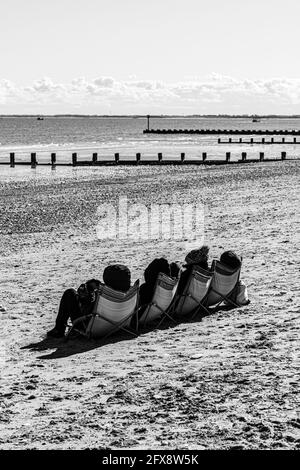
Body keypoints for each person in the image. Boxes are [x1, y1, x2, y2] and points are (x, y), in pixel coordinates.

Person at [47, 264, 131, 338]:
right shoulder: (130, 295)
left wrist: (87, 297)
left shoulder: (102, 295)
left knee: (70, 293)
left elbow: (89, 312)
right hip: (121, 324)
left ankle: (59, 329)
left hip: (94, 328)